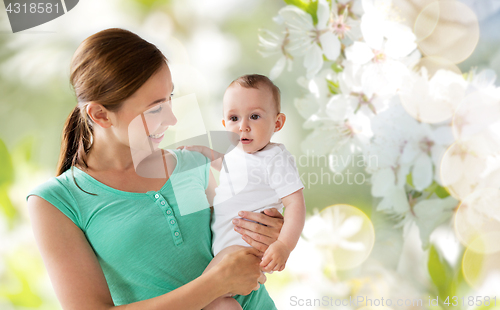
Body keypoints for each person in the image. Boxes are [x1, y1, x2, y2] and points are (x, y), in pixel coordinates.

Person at [26, 28, 284, 310]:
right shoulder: (58, 202)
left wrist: (266, 232)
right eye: (155, 108)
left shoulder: (189, 164)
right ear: (100, 114)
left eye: (170, 98)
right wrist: (216, 284)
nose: (172, 118)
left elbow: (230, 244)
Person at [180, 74, 306, 309]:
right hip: (227, 248)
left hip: (243, 249)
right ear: (225, 125)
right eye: (234, 118)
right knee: (216, 301)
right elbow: (226, 166)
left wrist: (284, 245)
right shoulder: (238, 153)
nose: (243, 126)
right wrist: (202, 153)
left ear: (277, 123)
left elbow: (295, 204)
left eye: (255, 116)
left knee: (203, 295)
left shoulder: (275, 158)